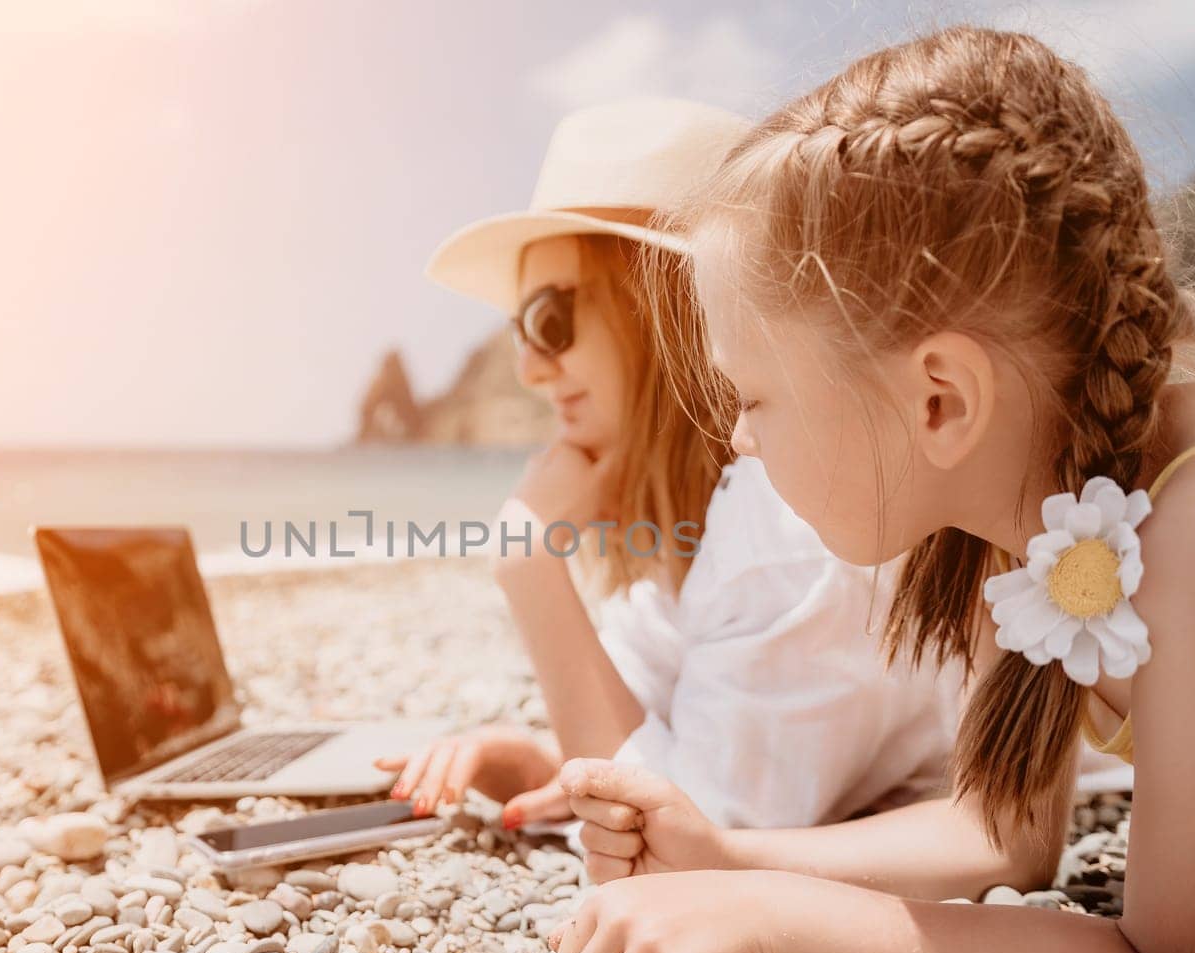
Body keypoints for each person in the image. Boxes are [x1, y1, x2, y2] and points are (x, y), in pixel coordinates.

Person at [551, 28, 1195, 953]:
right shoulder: (1019, 533)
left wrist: (772, 922)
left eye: (754, 396)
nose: (739, 440)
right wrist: (730, 856)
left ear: (937, 401)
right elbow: (1000, 833)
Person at [376, 98, 959, 833]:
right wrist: (537, 761)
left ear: (663, 310)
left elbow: (691, 838)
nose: (527, 367)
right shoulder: (698, 522)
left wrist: (527, 565)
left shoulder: (787, 529)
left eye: (549, 320)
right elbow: (657, 738)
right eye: (519, 329)